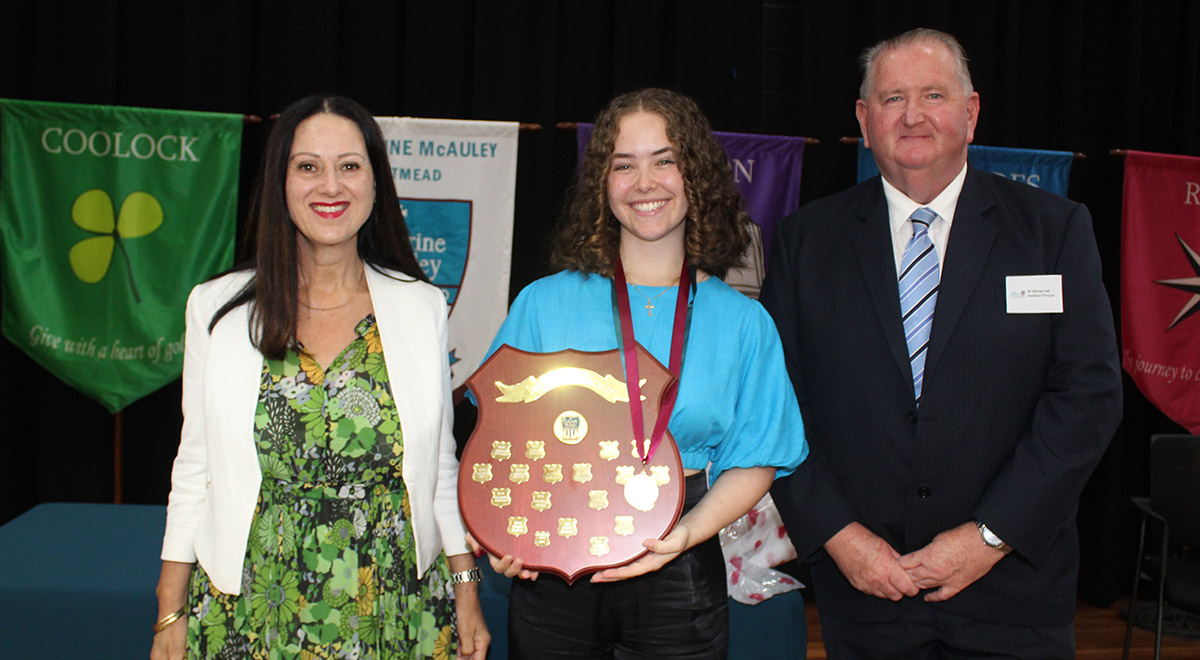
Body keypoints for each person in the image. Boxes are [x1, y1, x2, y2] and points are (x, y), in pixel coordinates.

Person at [760, 28, 1122, 659]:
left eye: (933, 94)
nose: (913, 114)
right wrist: (843, 539)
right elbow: (776, 407)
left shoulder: (1053, 231)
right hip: (867, 591)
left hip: (1014, 591)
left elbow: (1087, 397)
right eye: (892, 97)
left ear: (971, 112)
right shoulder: (803, 242)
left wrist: (987, 538)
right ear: (864, 120)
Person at [472, 88, 808, 659]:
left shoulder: (744, 322)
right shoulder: (543, 304)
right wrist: (504, 528)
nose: (644, 183)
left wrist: (684, 535)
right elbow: (496, 440)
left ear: (695, 176)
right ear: (602, 184)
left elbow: (755, 458)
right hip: (555, 563)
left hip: (683, 563)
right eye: (623, 165)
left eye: (664, 161)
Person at [151, 95, 489, 660]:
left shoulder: (422, 306)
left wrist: (466, 592)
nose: (330, 186)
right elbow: (195, 465)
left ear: (376, 183)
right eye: (308, 166)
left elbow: (438, 468)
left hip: (395, 603)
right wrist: (169, 608)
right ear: (281, 183)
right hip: (254, 604)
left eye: (349, 166)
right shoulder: (217, 310)